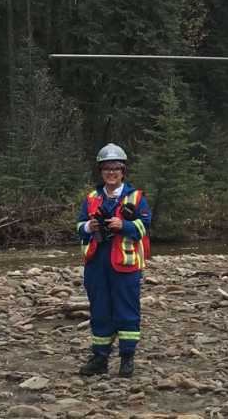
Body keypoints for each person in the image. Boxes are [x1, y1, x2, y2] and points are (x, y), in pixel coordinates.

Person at [75, 143, 152, 378]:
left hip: (125, 265)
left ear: (123, 171)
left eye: (115, 168)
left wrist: (123, 225)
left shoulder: (136, 198)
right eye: (106, 168)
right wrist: (90, 225)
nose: (111, 172)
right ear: (101, 171)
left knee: (126, 310)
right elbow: (79, 227)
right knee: (99, 310)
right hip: (97, 263)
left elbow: (145, 226)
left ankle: (127, 358)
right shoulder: (91, 199)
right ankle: (99, 357)